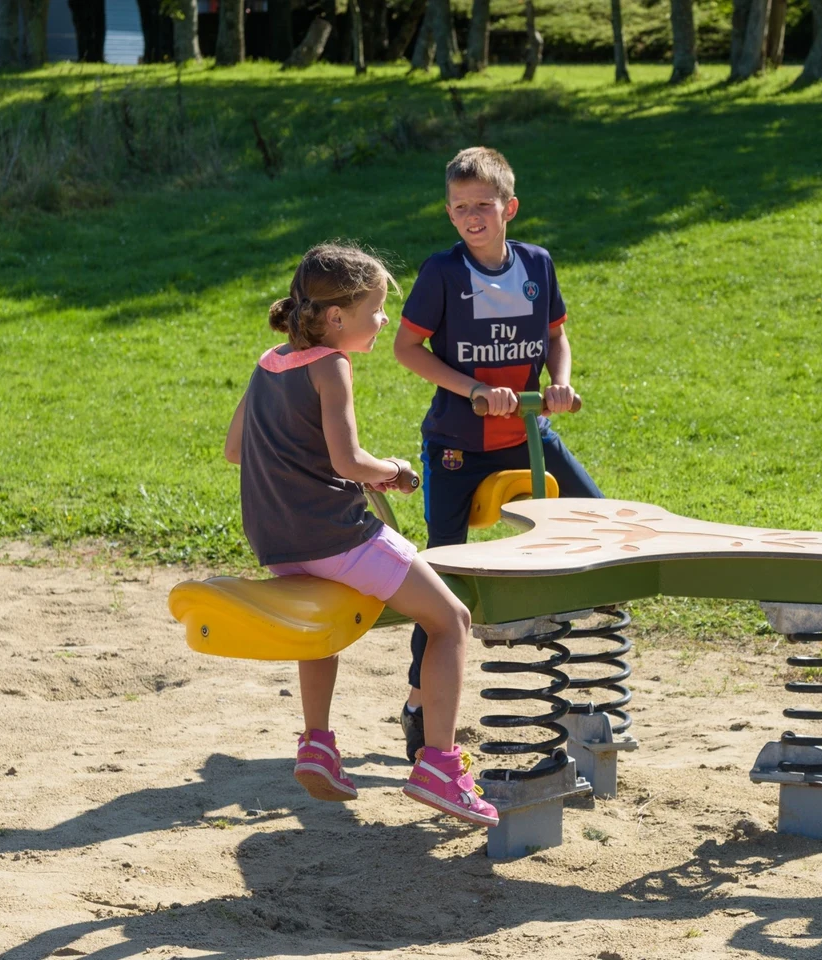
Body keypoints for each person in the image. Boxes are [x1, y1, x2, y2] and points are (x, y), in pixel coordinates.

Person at [224, 243, 498, 826]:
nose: (384, 322)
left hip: (276, 535)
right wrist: (394, 472)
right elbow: (348, 462)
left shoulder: (269, 363)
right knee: (450, 620)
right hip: (334, 534)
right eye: (376, 309)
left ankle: (317, 744)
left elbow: (233, 450)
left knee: (316, 635)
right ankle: (440, 768)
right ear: (336, 317)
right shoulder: (332, 366)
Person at [392, 146, 604, 762]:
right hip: (458, 445)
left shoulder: (537, 263)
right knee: (442, 576)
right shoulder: (443, 272)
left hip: (531, 435)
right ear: (450, 214)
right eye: (460, 207)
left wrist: (558, 383)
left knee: (598, 517)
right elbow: (408, 348)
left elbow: (557, 337)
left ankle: (574, 655)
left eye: (483, 205)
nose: (471, 216)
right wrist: (475, 389)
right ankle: (417, 699)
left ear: (509, 207)